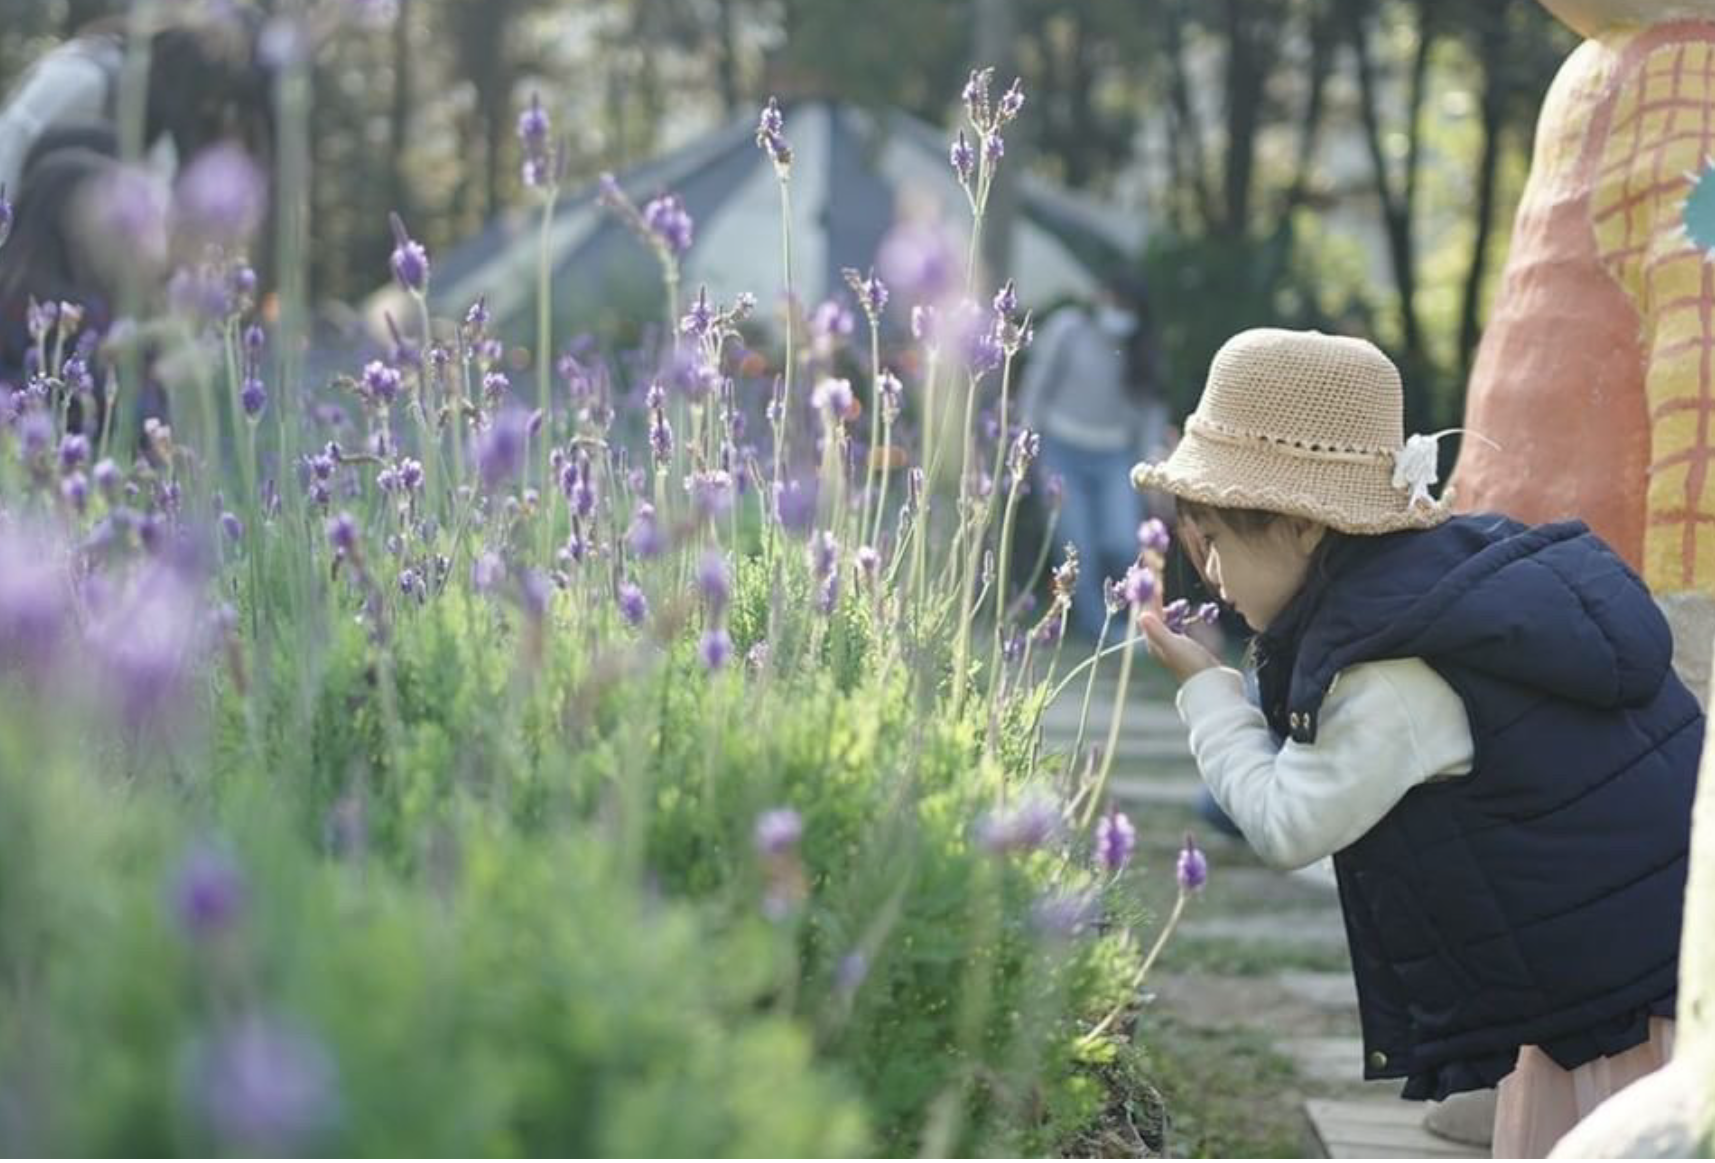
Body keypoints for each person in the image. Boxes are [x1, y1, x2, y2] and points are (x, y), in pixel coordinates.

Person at [1130, 328, 1700, 1158]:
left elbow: (1287, 822)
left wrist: (1206, 692)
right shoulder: (1448, 597)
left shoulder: (1395, 669)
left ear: (1297, 525)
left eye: (1215, 541)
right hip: (1643, 966)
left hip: (1614, 1012)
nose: (1208, 572)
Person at [1019, 274, 1172, 642]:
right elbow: (1038, 383)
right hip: (1062, 449)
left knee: (1122, 540)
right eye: (1114, 303)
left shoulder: (1142, 350)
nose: (1118, 314)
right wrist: (1027, 439)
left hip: (1114, 457)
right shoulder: (1069, 329)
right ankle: (1096, 628)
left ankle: (1131, 617)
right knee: (1077, 546)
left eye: (1126, 308)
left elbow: (1151, 416)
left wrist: (1151, 469)